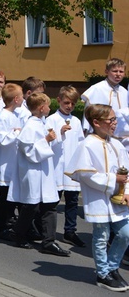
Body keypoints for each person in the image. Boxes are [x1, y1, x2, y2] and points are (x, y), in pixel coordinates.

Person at [66, 104, 129, 292]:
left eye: (115, 119)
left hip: (118, 199)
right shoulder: (87, 144)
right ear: (96, 122)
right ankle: (103, 273)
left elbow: (126, 172)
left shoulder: (116, 144)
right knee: (102, 236)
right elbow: (87, 175)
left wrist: (126, 190)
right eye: (110, 120)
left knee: (125, 233)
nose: (114, 123)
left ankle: (112, 266)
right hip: (98, 199)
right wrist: (112, 179)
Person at [8, 92, 71, 256]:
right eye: (48, 105)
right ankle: (19, 234)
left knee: (50, 205)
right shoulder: (30, 126)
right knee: (32, 206)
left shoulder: (40, 123)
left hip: (44, 171)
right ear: (42, 108)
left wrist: (57, 136)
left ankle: (48, 242)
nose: (50, 108)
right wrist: (47, 140)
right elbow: (29, 150)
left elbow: (46, 144)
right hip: (33, 172)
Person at [45, 85, 86, 248]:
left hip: (71, 167)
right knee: (52, 201)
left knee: (72, 201)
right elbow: (48, 142)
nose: (69, 106)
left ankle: (70, 231)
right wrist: (60, 133)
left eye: (73, 104)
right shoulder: (51, 120)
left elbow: (81, 143)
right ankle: (47, 231)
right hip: (56, 166)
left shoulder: (76, 121)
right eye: (67, 102)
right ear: (59, 100)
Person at [0, 83, 23, 239]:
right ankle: (0, 227)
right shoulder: (2, 116)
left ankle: (7, 223)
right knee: (4, 197)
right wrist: (16, 133)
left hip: (13, 161)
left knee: (10, 197)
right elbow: (0, 139)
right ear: (15, 99)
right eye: (21, 96)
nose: (23, 99)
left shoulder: (15, 115)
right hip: (3, 163)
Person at [82, 58, 129, 145]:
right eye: (115, 71)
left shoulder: (125, 92)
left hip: (122, 138)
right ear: (107, 72)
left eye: (121, 72)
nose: (118, 74)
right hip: (101, 135)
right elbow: (88, 113)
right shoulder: (97, 89)